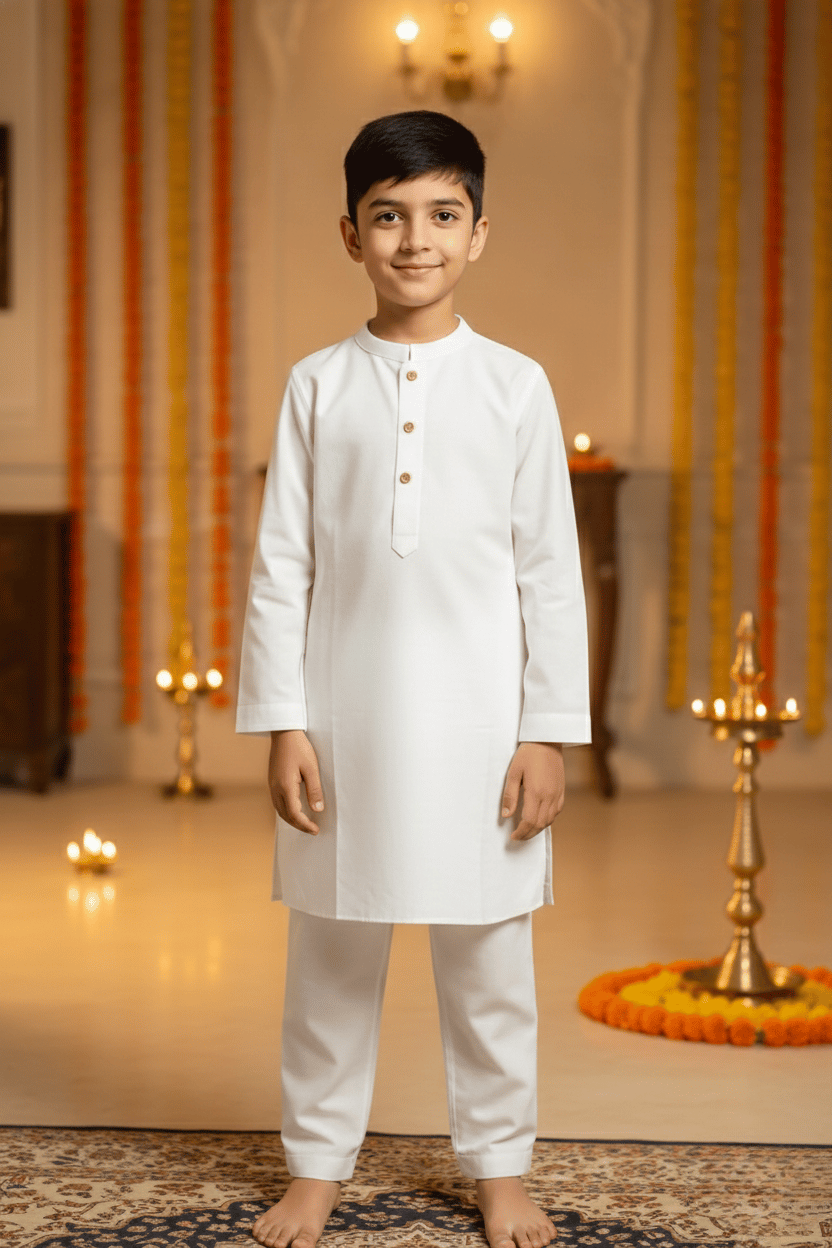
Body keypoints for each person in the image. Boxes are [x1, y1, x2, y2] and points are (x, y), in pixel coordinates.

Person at [236, 109, 591, 1248]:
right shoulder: (316, 387)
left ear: (479, 233)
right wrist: (283, 722)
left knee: (488, 967)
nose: (415, 239)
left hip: (484, 731)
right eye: (388, 217)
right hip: (344, 730)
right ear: (350, 234)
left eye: (441, 215)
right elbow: (279, 563)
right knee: (330, 960)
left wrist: (546, 731)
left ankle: (499, 1173)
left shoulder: (515, 387)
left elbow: (550, 570)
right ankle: (314, 1168)